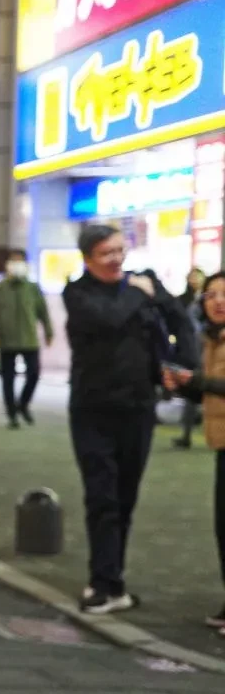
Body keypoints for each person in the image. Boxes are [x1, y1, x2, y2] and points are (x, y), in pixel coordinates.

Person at [63, 224, 192, 614]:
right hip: (93, 409)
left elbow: (181, 320)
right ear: (87, 259)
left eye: (120, 250)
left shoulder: (144, 283)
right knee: (102, 496)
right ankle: (103, 582)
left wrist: (185, 368)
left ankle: (113, 580)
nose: (116, 259)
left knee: (125, 497)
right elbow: (110, 320)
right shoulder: (78, 294)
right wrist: (139, 293)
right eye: (106, 253)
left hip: (138, 408)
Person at [161, 271, 225, 636]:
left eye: (224, 294)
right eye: (211, 295)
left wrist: (195, 382)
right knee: (222, 529)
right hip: (220, 442)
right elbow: (210, 394)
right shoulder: (211, 339)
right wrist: (185, 387)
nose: (217, 301)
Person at [0, 249, 54, 429]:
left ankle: (23, 404)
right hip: (6, 340)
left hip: (29, 339)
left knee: (34, 373)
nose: (16, 265)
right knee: (8, 378)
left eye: (20, 261)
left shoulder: (32, 288)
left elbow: (43, 312)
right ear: (7, 265)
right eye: (13, 261)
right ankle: (12, 414)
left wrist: (49, 331)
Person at [176, 267, 207, 449]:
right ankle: (186, 435)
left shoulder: (207, 298)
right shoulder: (186, 301)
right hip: (196, 352)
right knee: (193, 389)